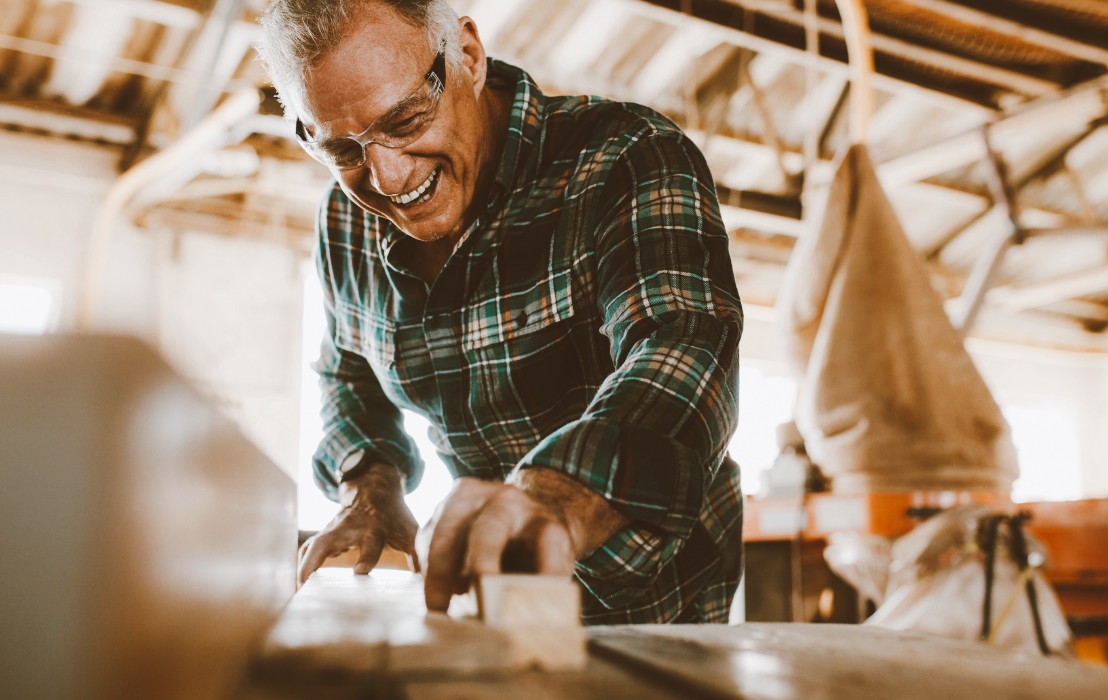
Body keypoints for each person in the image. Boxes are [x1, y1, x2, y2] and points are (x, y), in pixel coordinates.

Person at [257, 0, 743, 624]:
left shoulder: (625, 157)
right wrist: (369, 484)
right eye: (343, 151)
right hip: (488, 601)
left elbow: (684, 349)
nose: (386, 176)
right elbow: (348, 373)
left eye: (406, 119)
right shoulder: (343, 221)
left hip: (653, 600)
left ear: (467, 55)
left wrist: (553, 499)